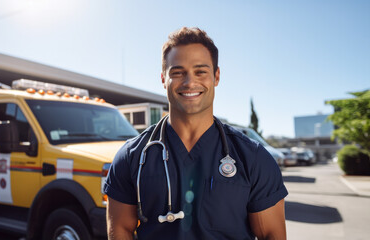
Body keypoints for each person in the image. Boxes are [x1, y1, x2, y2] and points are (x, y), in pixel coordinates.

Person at [104, 27, 288, 240]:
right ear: (163, 79)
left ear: (216, 76)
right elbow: (120, 230)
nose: (190, 82)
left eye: (200, 71)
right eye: (177, 72)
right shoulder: (131, 156)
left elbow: (271, 234)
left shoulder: (253, 158)